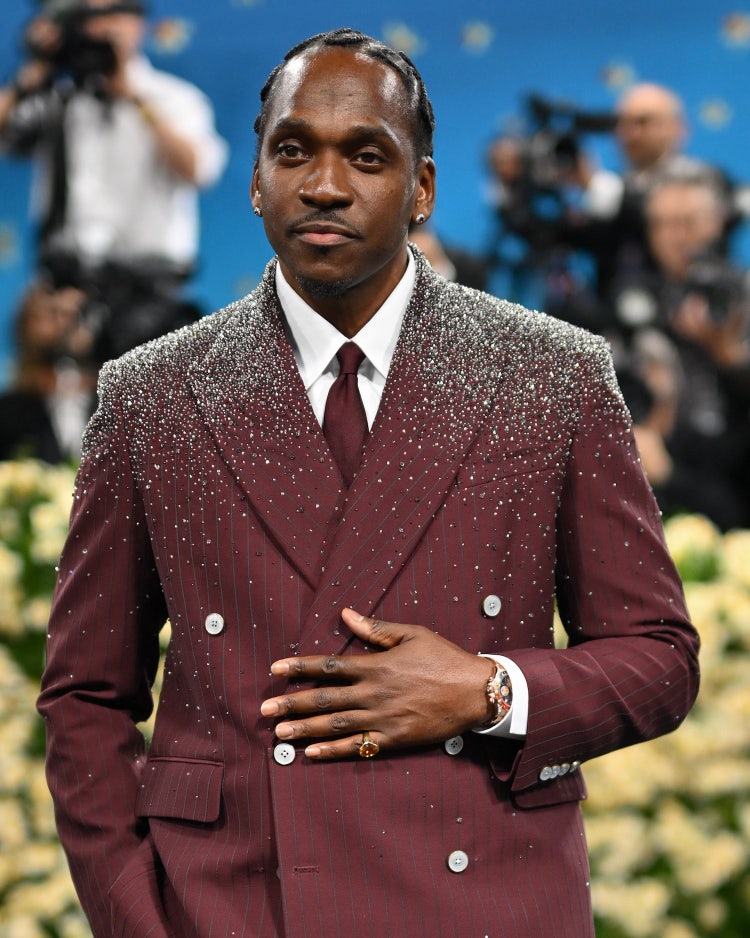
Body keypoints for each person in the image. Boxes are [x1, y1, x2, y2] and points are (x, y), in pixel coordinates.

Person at [37, 28, 700, 938]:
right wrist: (135, 921)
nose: (324, 185)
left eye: (366, 155)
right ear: (255, 180)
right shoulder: (152, 394)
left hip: (487, 905)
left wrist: (489, 691)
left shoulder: (551, 374)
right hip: (227, 908)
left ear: (422, 188)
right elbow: (86, 695)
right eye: (293, 151)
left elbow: (659, 659)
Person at [0, 0, 227, 358]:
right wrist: (36, 69)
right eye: (88, 17)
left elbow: (197, 169)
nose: (100, 27)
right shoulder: (60, 101)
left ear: (138, 24)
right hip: (68, 296)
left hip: (147, 295)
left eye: (112, 14)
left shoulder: (173, 97)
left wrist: (136, 99)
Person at [612, 171, 750, 529]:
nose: (673, 236)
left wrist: (729, 359)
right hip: (667, 481)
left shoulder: (743, 294)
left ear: (717, 223)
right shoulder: (634, 301)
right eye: (660, 224)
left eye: (686, 222)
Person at [0, 277, 96, 462]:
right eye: (52, 314)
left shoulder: (109, 403)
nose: (65, 324)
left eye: (75, 315)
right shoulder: (10, 412)